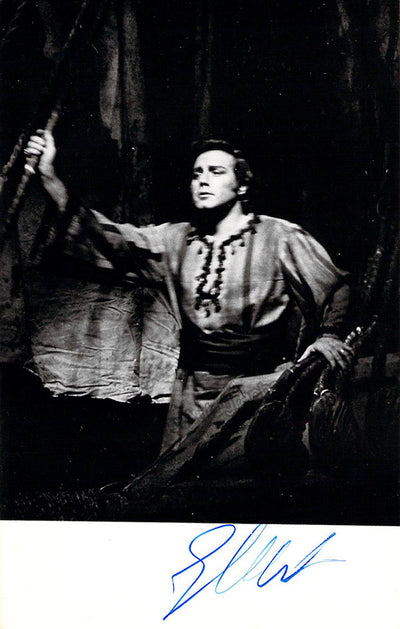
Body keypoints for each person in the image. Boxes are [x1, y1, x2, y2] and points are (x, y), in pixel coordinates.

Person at [25, 130, 353, 460]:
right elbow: (111, 238)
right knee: (184, 479)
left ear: (241, 186)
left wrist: (329, 334)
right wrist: (49, 177)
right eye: (197, 174)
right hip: (191, 397)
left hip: (257, 391)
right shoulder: (176, 240)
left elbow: (335, 287)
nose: (203, 181)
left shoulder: (278, 236)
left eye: (216, 172)